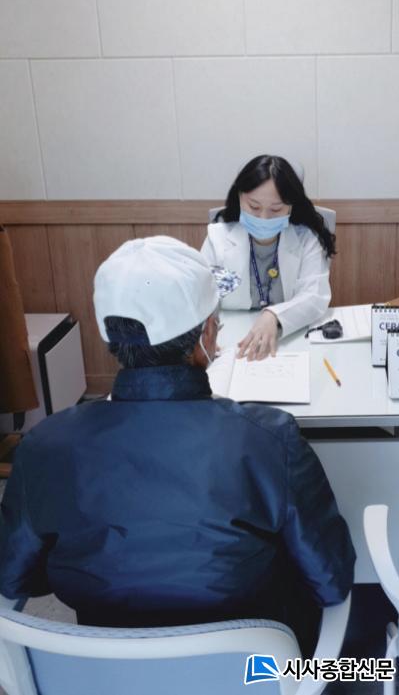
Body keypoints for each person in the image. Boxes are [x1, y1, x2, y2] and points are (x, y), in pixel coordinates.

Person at [0, 236, 354, 654]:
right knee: (357, 660)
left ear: (110, 337)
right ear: (208, 332)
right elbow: (331, 581)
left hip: (108, 672)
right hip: (253, 673)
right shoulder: (270, 438)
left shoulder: (43, 445)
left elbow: (16, 577)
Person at [201, 155, 336, 361]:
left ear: (291, 206)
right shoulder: (218, 239)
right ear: (240, 198)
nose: (263, 218)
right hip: (229, 344)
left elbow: (315, 297)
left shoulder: (306, 240)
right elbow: (202, 296)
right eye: (254, 207)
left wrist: (275, 316)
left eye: (276, 209)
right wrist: (204, 332)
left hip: (290, 341)